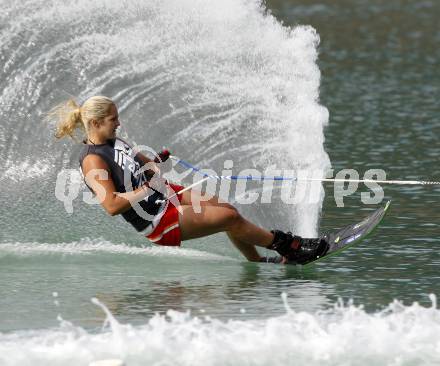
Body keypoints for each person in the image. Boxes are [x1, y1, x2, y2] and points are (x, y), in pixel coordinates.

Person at [52, 95, 328, 264]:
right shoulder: (92, 160)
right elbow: (111, 205)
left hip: (165, 193)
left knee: (229, 210)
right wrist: (147, 188)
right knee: (228, 220)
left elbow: (141, 163)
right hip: (156, 219)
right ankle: (290, 247)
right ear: (97, 123)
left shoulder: (115, 140)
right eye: (114, 119)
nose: (119, 123)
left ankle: (258, 261)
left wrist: (153, 165)